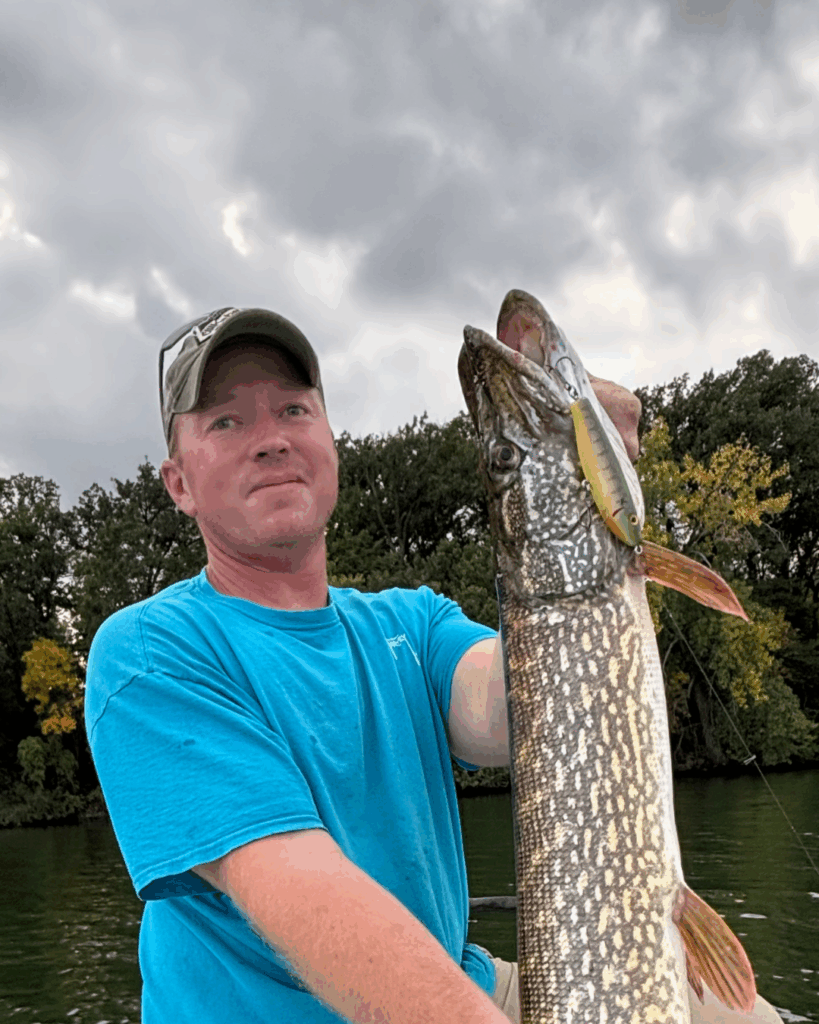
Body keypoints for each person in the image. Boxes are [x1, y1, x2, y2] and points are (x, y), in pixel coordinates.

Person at [85, 305, 782, 1024]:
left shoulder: (410, 624)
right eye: (226, 422)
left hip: (463, 977)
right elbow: (308, 901)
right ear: (178, 483)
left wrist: (568, 504)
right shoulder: (150, 653)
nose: (270, 440)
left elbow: (519, 709)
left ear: (329, 440)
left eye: (293, 409)